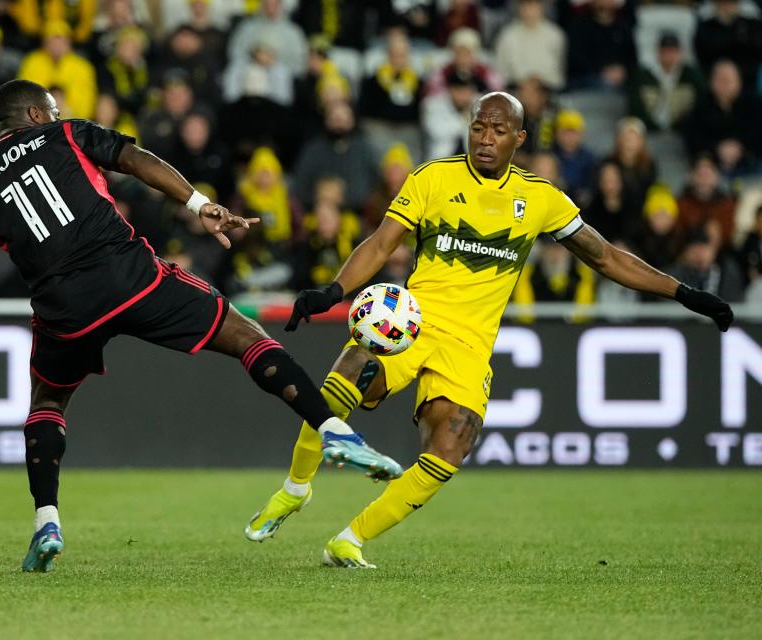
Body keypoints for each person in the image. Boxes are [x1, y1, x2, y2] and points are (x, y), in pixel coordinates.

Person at [0, 79, 403, 573]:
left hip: (63, 309)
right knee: (245, 336)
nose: (55, 115)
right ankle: (334, 431)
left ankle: (47, 522)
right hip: (130, 277)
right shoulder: (65, 134)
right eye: (50, 109)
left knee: (47, 403)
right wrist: (198, 201)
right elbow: (134, 159)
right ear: (34, 115)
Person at [243, 92, 734, 568]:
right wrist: (334, 290)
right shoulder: (433, 178)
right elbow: (380, 243)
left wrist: (684, 293)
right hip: (413, 320)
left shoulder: (539, 198)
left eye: (498, 130)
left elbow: (605, 256)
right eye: (478, 126)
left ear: (519, 138)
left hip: (470, 344)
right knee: (346, 379)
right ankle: (295, 489)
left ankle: (349, 540)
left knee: (451, 446)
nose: (485, 138)